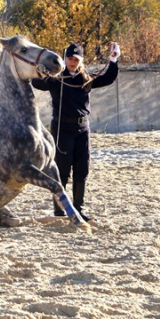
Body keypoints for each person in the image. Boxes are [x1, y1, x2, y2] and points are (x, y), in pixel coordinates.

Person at [32, 42, 121, 221]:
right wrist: (40, 69)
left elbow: (108, 78)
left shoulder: (86, 78)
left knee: (82, 168)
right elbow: (37, 83)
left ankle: (78, 208)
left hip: (82, 128)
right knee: (62, 170)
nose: (72, 62)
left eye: (76, 59)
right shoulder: (57, 79)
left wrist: (113, 59)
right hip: (62, 128)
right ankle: (59, 210)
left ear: (81, 60)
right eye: (70, 58)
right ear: (65, 59)